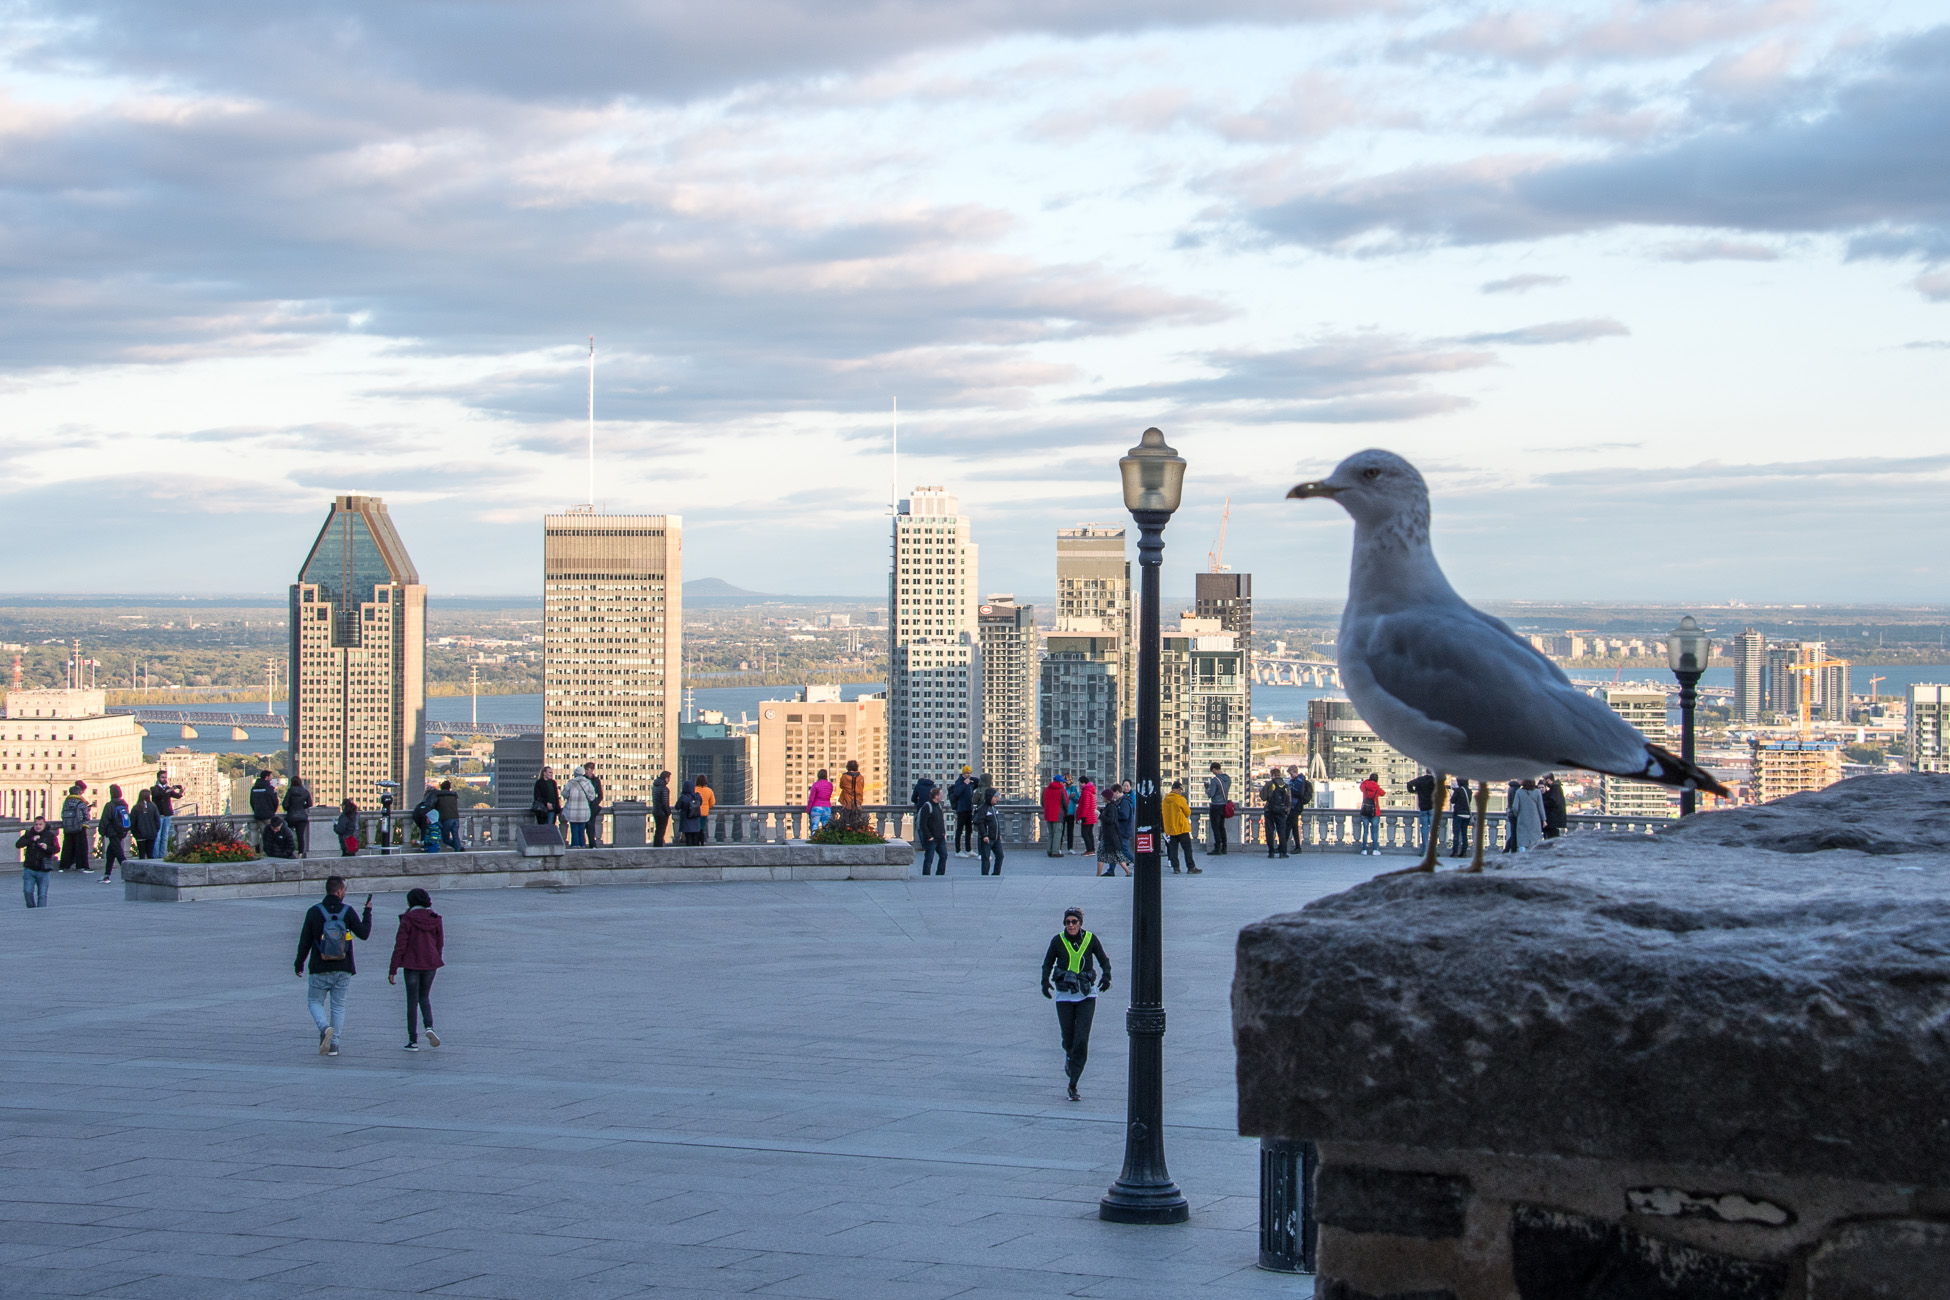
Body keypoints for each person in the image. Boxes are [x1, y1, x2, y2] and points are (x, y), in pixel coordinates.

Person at [294, 876, 372, 1057]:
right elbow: (364, 934)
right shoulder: (348, 911)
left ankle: (324, 1027)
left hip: (319, 965)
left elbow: (304, 941)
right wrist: (367, 913)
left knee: (314, 1001)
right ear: (338, 891)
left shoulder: (314, 911)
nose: (345, 893)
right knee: (338, 1006)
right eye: (344, 890)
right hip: (343, 966)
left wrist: (299, 963)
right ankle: (334, 1045)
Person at [1040, 907, 1112, 1102]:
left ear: (1080, 923)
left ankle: (1073, 1083)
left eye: (1074, 922)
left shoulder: (1090, 939)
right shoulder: (1057, 941)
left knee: (1081, 1039)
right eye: (1068, 922)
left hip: (1086, 995)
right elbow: (1047, 963)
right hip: (1064, 995)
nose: (1071, 925)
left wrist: (1106, 976)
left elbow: (1103, 959)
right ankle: (1069, 1056)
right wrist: (1045, 981)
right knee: (1068, 1038)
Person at [388, 887, 445, 1052]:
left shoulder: (408, 918)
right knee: (424, 996)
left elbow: (400, 945)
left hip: (412, 964)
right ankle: (429, 1027)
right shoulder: (435, 918)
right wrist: (435, 958)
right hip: (430, 963)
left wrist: (393, 969)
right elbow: (439, 943)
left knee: (412, 1001)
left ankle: (412, 1041)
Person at [17, 816, 57, 907]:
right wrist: (31, 840)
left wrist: (47, 847)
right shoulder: (29, 834)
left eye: (40, 824)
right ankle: (32, 909)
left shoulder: (50, 835)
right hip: (30, 868)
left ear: (44, 824)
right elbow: (18, 844)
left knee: (42, 895)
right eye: (36, 824)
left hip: (44, 869)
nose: (38, 826)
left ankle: (40, 912)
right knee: (27, 892)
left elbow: (56, 849)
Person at [1163, 780, 1200, 874]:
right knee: (1187, 849)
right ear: (1178, 789)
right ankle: (1191, 867)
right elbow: (1188, 812)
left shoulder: (1165, 800)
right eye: (1180, 790)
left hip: (1171, 829)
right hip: (1182, 828)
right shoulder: (1180, 799)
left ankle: (1176, 868)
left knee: (1173, 850)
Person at [98, 784, 131, 883]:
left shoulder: (110, 805)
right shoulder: (124, 804)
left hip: (113, 832)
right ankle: (106, 875)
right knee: (110, 854)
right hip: (121, 831)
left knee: (119, 854)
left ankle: (129, 874)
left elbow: (105, 819)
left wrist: (102, 832)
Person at [149, 769, 183, 858]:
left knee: (164, 837)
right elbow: (157, 795)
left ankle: (162, 855)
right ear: (158, 778)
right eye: (162, 777)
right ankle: (155, 856)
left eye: (165, 777)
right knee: (158, 838)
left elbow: (177, 796)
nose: (164, 779)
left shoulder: (167, 789)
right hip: (159, 815)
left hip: (167, 815)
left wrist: (181, 791)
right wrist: (168, 791)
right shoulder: (154, 789)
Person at [59, 782, 91, 872]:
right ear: (78, 793)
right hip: (79, 827)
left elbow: (62, 813)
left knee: (67, 847)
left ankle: (64, 865)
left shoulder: (66, 802)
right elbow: (86, 816)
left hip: (68, 827)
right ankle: (81, 866)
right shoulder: (81, 803)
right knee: (81, 847)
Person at [917, 787, 949, 876]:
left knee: (944, 856)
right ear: (936, 796)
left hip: (940, 837)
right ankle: (926, 875)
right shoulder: (927, 806)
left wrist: (943, 833)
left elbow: (941, 821)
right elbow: (923, 824)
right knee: (929, 859)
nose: (941, 796)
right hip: (932, 838)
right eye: (940, 794)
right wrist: (929, 836)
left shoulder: (938, 806)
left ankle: (940, 874)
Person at [1406, 770, 1437, 859]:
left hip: (1423, 807)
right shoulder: (1434, 780)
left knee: (1424, 830)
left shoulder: (1420, 780)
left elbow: (1409, 784)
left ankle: (1424, 851)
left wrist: (1413, 791)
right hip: (1432, 807)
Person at [562, 765, 595, 847]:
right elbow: (592, 796)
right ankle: (582, 845)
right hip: (583, 811)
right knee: (581, 830)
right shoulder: (587, 783)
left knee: (574, 829)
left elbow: (564, 794)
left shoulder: (571, 783)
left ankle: (575, 845)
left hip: (572, 810)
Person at [1095, 781, 1123, 876]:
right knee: (1115, 855)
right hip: (1108, 835)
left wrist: (1099, 815)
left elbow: (1110, 819)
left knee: (1111, 854)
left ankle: (1099, 874)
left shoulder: (1111, 807)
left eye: (1102, 796)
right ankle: (1124, 871)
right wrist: (1102, 810)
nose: (1101, 797)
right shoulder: (1110, 806)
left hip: (1109, 835)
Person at [283, 774, 314, 857]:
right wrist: (302, 807)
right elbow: (310, 803)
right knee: (300, 836)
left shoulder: (290, 791)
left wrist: (290, 808)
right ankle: (300, 853)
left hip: (291, 816)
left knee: (288, 834)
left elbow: (285, 804)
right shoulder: (305, 791)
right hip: (302, 817)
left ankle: (289, 851)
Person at [976, 787, 1005, 876]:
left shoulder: (994, 809)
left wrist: (999, 834)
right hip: (987, 839)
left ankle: (996, 874)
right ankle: (985, 875)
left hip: (996, 838)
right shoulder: (983, 809)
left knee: (1000, 856)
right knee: (986, 858)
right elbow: (979, 822)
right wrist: (984, 835)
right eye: (995, 797)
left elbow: (996, 823)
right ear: (990, 797)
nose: (996, 799)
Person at [1205, 762, 1232, 855]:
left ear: (1214, 769)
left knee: (1215, 827)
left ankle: (1217, 848)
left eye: (1212, 771)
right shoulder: (1228, 779)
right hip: (1224, 805)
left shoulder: (1215, 780)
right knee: (1222, 827)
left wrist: (1207, 790)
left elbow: (1211, 794)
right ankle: (1224, 847)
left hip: (1216, 805)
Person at [950, 768, 977, 858]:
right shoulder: (959, 782)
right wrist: (965, 784)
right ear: (963, 773)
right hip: (961, 809)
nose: (968, 775)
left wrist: (971, 778)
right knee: (959, 830)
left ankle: (968, 849)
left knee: (969, 830)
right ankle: (958, 850)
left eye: (970, 773)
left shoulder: (970, 782)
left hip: (969, 809)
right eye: (967, 773)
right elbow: (956, 793)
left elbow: (978, 782)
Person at [1262, 775, 1291, 859]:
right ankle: (1283, 852)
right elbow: (1289, 800)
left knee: (1270, 831)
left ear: (1272, 775)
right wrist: (1287, 811)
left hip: (1269, 811)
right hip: (1281, 811)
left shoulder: (1269, 784)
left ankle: (1271, 852)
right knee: (1282, 831)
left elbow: (1263, 797)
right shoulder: (1286, 786)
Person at [1512, 778, 1546, 851]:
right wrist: (1544, 819)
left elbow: (1515, 807)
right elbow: (1541, 807)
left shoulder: (1519, 792)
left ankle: (1523, 856)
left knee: (1522, 841)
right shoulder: (1537, 792)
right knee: (1535, 841)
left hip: (1522, 819)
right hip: (1535, 820)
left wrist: (1518, 815)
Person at [1287, 766, 1313, 855]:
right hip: (1294, 807)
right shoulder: (1295, 781)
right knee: (1294, 827)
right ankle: (1297, 847)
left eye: (1291, 774)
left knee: (1289, 826)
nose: (1291, 776)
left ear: (1295, 772)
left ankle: (1283, 846)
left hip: (1296, 807)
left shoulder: (1300, 782)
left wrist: (1290, 791)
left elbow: (1300, 794)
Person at [250, 770, 279, 847]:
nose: (271, 778)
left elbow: (252, 801)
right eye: (270, 776)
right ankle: (269, 852)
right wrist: (272, 811)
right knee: (271, 835)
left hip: (258, 815)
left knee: (263, 835)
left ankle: (263, 851)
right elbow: (275, 802)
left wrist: (256, 810)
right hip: (268, 815)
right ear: (266, 777)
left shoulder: (254, 788)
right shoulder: (270, 788)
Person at [1111, 782, 1135, 874]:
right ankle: (1111, 870)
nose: (1113, 796)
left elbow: (1124, 816)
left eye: (1113, 794)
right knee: (1114, 850)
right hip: (1122, 830)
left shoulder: (1124, 802)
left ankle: (1136, 862)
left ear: (1117, 792)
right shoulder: (1122, 801)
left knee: (1124, 849)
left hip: (1124, 830)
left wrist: (1115, 814)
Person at [131, 787, 161, 860]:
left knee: (141, 855)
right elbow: (157, 820)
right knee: (150, 854)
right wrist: (155, 830)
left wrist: (134, 833)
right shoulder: (153, 806)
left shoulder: (136, 808)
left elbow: (132, 822)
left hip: (140, 834)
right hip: (151, 834)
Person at [1040, 774, 1066, 858]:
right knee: (1057, 833)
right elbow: (1065, 803)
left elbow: (1042, 803)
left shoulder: (1045, 790)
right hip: (1057, 815)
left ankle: (1049, 850)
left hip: (1048, 814)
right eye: (1063, 782)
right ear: (1060, 782)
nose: (1064, 784)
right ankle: (1055, 851)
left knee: (1050, 833)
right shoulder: (1061, 790)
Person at [836, 760, 866, 831]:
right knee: (857, 823)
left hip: (847, 802)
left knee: (845, 823)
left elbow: (841, 786)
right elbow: (862, 787)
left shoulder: (844, 777)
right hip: (857, 803)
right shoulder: (861, 777)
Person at [412, 785, 442, 853]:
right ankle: (423, 848)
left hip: (431, 848)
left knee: (424, 831)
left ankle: (423, 847)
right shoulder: (434, 827)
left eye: (427, 818)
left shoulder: (433, 828)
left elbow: (432, 839)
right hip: (430, 847)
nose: (426, 819)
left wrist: (423, 843)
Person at [676, 779, 705, 846]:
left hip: (686, 820)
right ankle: (695, 852)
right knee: (695, 837)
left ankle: (689, 851)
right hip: (695, 819)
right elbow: (700, 803)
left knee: (688, 837)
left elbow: (677, 807)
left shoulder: (683, 797)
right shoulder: (697, 796)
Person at [1449, 778, 1472, 858]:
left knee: (1456, 833)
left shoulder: (1458, 791)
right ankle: (1464, 852)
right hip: (1467, 815)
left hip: (1458, 814)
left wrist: (1454, 792)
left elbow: (1452, 801)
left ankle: (1455, 851)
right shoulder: (1469, 791)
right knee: (1464, 833)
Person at [435, 780, 461, 852]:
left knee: (445, 839)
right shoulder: (454, 795)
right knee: (455, 835)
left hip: (446, 819)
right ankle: (458, 848)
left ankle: (458, 847)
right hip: (455, 817)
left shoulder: (439, 796)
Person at [583, 762, 604, 846]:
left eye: (588, 769)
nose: (586, 771)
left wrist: (595, 803)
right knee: (583, 826)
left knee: (591, 826)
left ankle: (592, 844)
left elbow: (600, 795)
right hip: (583, 806)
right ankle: (584, 844)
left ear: (592, 770)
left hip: (592, 807)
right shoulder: (582, 779)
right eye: (586, 769)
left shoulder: (596, 780)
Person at [807, 768, 834, 833]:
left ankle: (814, 839)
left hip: (816, 807)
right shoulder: (830, 785)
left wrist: (808, 809)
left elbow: (811, 798)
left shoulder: (816, 784)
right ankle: (825, 841)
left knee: (814, 827)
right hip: (827, 807)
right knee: (826, 828)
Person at [1542, 774, 1569, 839]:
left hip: (1553, 820)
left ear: (1548, 780)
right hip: (1554, 821)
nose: (1543, 782)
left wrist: (1543, 802)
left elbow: (1553, 802)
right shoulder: (1555, 788)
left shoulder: (1555, 788)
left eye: (1544, 780)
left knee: (1552, 838)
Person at [1078, 777, 1098, 856]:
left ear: (1083, 783)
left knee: (1085, 833)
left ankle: (1089, 850)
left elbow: (1086, 805)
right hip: (1091, 815)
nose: (1079, 785)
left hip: (1087, 816)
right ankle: (1092, 849)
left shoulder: (1086, 791)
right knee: (1089, 833)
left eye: (1080, 783)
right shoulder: (1091, 790)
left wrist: (1083, 816)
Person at [652, 770, 672, 846]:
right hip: (662, 813)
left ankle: (656, 845)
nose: (669, 780)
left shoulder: (655, 787)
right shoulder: (664, 789)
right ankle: (659, 847)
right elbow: (665, 803)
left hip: (656, 811)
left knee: (658, 830)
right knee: (661, 831)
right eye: (669, 778)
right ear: (666, 778)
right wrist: (668, 812)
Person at [1061, 775, 1078, 852]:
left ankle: (1070, 848)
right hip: (1063, 813)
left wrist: (1074, 797)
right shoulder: (1061, 789)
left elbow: (1078, 800)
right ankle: (1059, 847)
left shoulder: (1073, 789)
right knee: (1061, 831)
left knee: (1070, 831)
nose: (1067, 784)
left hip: (1071, 813)